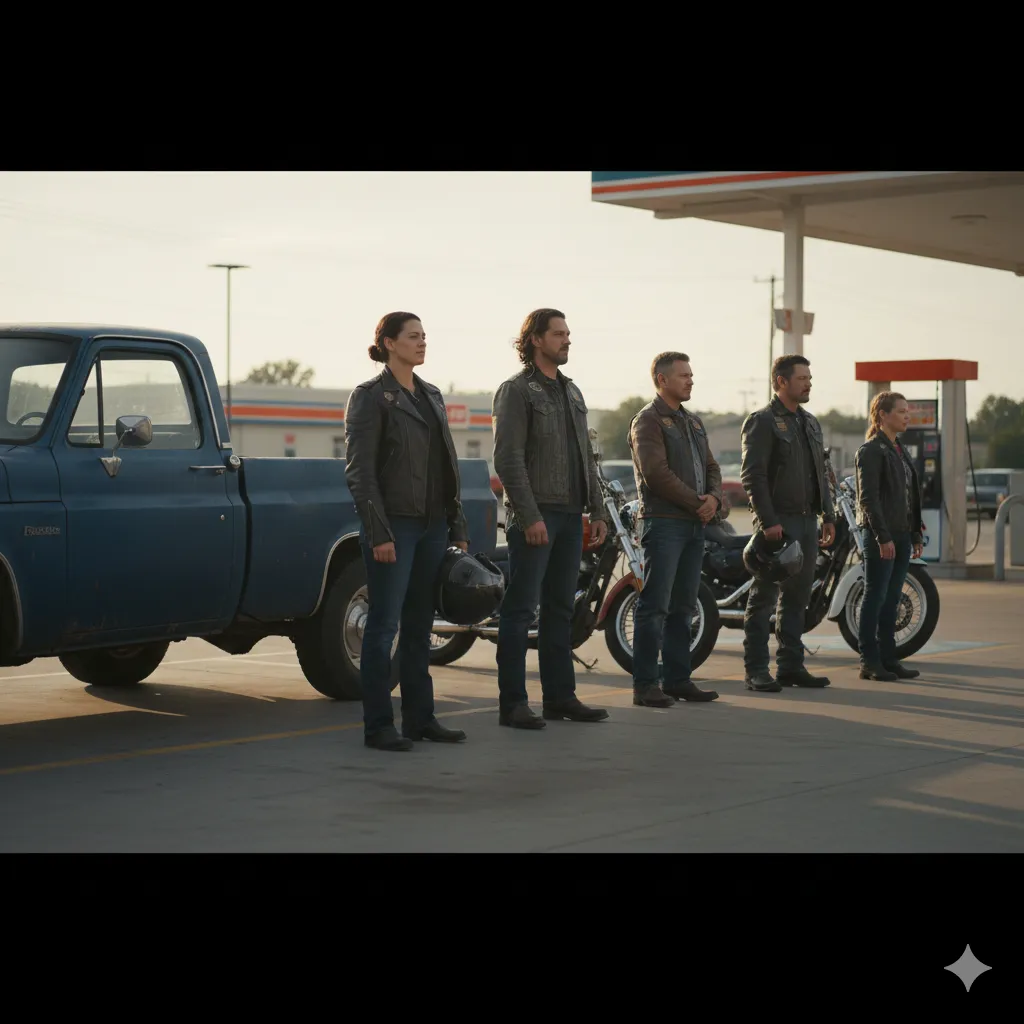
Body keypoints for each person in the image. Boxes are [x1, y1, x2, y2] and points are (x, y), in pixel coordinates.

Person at [344, 311, 471, 751]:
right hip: (395, 526)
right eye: (413, 336)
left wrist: (456, 524)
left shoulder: (431, 395)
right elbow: (360, 473)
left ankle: (420, 719)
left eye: (424, 336)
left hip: (433, 525)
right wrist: (379, 532)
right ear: (389, 343)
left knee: (420, 627)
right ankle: (379, 726)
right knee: (383, 627)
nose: (422, 343)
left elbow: (447, 466)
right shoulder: (370, 397)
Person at [491, 308, 611, 729]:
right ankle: (513, 704)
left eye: (568, 333)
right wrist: (529, 516)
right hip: (536, 516)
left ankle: (560, 698)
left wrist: (597, 510)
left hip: (571, 514)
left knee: (560, 609)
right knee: (520, 610)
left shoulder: (572, 392)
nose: (567, 339)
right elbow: (507, 459)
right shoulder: (516, 391)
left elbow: (586, 455)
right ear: (536, 340)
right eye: (558, 333)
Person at [628, 352, 722, 707]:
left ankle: (678, 680)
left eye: (691, 374)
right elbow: (656, 474)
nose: (690, 380)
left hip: (694, 525)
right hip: (665, 523)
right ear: (662, 380)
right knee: (655, 606)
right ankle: (645, 685)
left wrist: (714, 498)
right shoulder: (647, 420)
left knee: (684, 606)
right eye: (683, 375)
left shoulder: (693, 422)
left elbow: (711, 467)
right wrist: (698, 503)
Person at [740, 354, 836, 692]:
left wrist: (828, 515)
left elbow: (820, 473)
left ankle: (791, 667)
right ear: (781, 381)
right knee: (763, 599)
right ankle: (756, 670)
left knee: (797, 599)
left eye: (809, 378)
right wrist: (768, 522)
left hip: (808, 522)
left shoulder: (810, 423)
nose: (809, 383)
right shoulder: (762, 422)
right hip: (777, 524)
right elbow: (753, 476)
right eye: (802, 378)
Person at [854, 391, 924, 681]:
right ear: (883, 415)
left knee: (892, 598)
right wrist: (883, 537)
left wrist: (915, 532)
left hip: (902, 533)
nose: (907, 416)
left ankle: (888, 658)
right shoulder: (871, 450)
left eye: (908, 411)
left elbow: (909, 495)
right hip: (879, 534)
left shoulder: (898, 449)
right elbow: (868, 499)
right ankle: (869, 661)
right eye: (901, 411)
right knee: (875, 596)